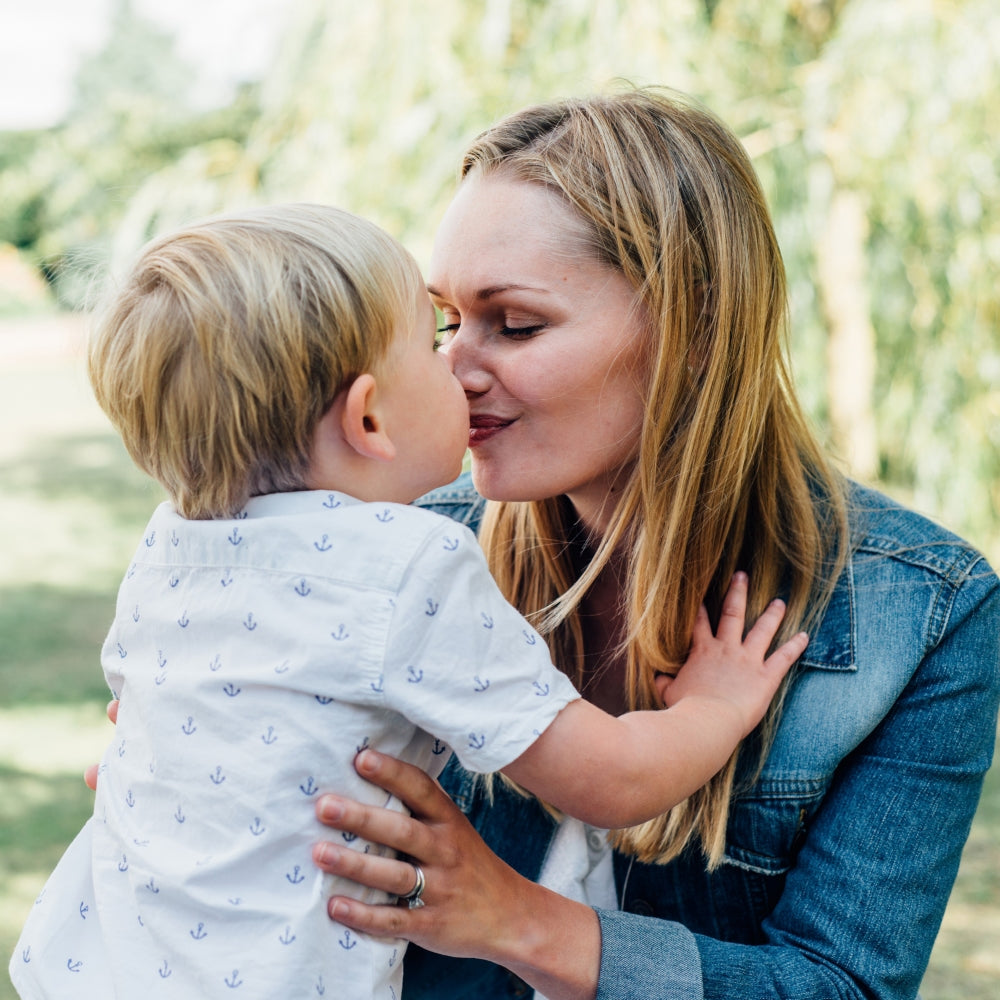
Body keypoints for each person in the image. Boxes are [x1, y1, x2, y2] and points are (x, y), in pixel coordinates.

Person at [10, 203, 807, 1000]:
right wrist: (715, 707)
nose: (459, 367)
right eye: (434, 341)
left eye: (509, 326)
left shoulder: (167, 549)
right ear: (368, 417)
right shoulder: (406, 566)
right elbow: (612, 784)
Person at [306, 89, 1000, 1000]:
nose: (452, 371)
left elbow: (845, 985)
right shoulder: (406, 546)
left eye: (514, 324)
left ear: (696, 323)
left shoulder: (924, 613)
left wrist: (515, 919)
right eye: (446, 321)